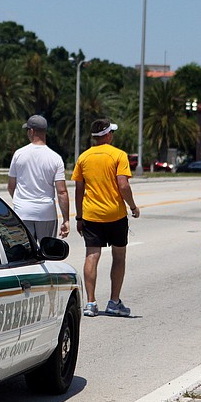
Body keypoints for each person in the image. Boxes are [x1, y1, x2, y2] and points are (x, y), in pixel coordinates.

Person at [72, 118, 140, 317]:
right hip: (116, 215)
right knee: (119, 256)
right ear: (108, 135)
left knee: (91, 256)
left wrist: (79, 217)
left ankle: (91, 303)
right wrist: (133, 206)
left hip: (91, 215)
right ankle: (114, 301)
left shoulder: (83, 157)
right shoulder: (118, 155)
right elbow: (123, 185)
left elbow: (78, 189)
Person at [8, 115, 70, 243]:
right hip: (46, 213)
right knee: (47, 252)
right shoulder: (55, 158)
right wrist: (66, 219)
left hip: (22, 211)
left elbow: (11, 186)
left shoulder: (19, 154)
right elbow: (62, 192)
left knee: (24, 255)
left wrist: (21, 202)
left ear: (31, 131)